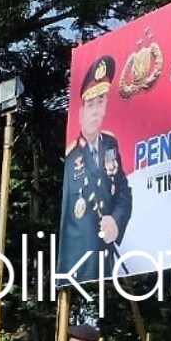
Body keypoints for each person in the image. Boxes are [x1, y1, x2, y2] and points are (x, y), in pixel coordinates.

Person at [57, 55, 132, 283]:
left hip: (107, 260)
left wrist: (116, 221)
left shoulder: (110, 144)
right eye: (90, 104)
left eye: (100, 102)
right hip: (79, 262)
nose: (95, 111)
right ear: (79, 112)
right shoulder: (71, 159)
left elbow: (123, 191)